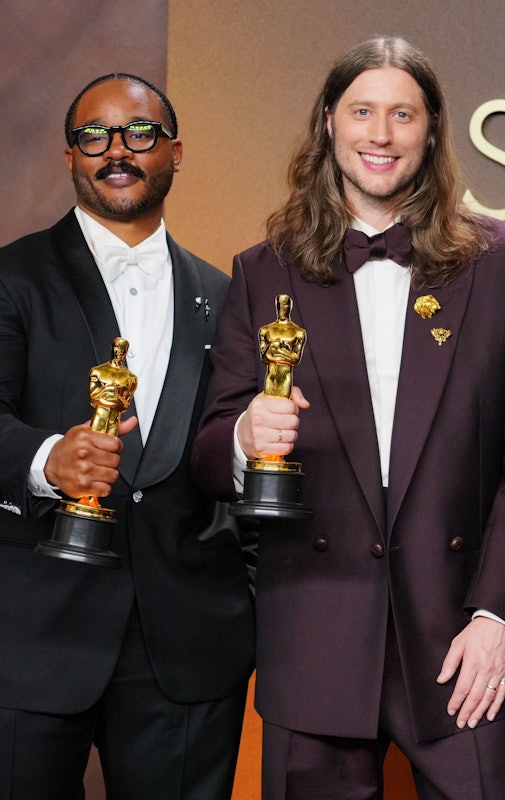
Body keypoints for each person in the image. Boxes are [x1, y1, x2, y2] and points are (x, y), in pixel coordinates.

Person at [190, 37, 505, 799]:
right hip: (314, 630)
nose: (380, 135)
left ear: (431, 130)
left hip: (462, 638)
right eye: (362, 112)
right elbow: (206, 447)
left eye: (402, 114)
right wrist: (241, 440)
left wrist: (499, 615)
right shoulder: (263, 270)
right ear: (328, 123)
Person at [0, 74, 254, 798]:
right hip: (32, 636)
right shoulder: (11, 277)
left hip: (187, 642)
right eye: (94, 136)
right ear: (70, 155)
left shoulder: (229, 294)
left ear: (175, 152)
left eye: (139, 133)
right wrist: (50, 458)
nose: (117, 150)